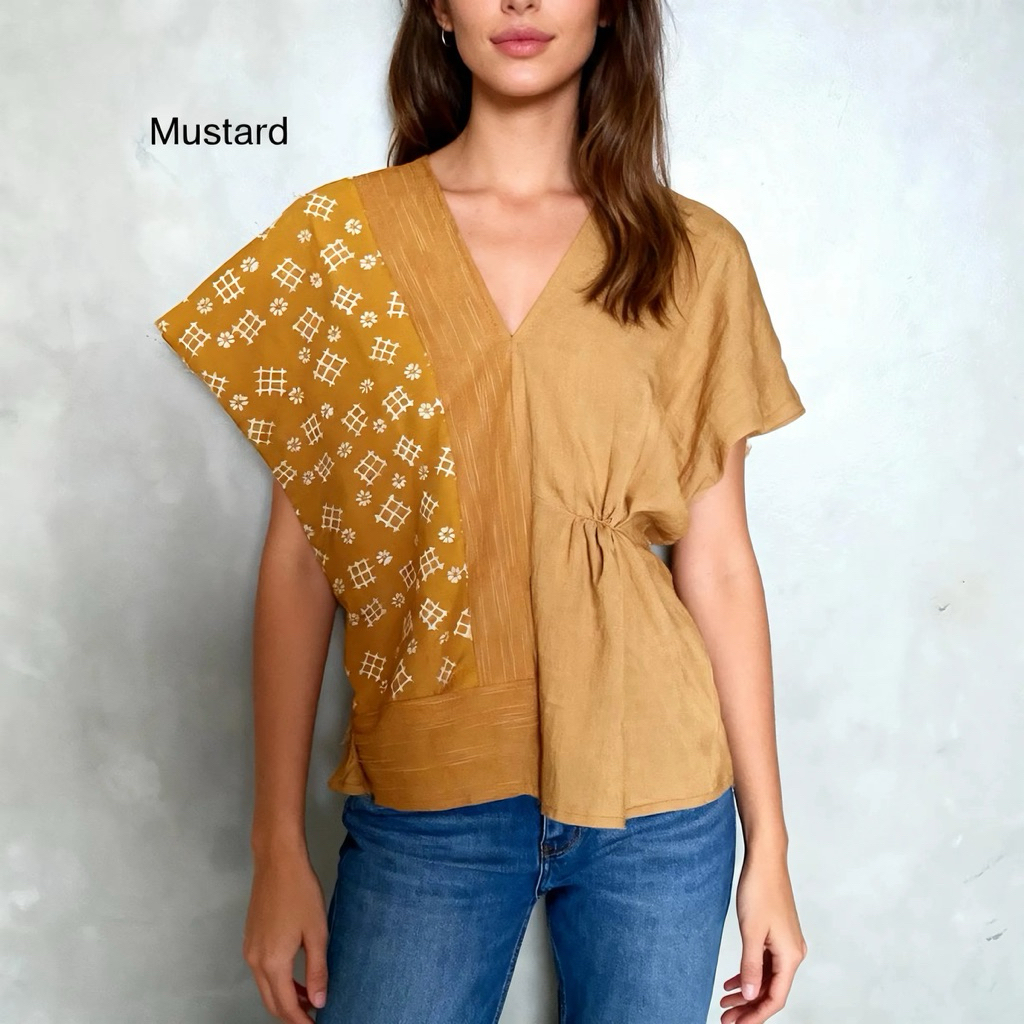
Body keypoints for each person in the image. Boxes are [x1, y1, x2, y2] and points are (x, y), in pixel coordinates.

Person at [153, 1, 809, 1021]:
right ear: (438, 11)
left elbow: (717, 561)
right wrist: (276, 844)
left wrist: (769, 846)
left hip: (661, 797)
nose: (520, 3)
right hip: (429, 791)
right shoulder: (342, 243)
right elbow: (302, 561)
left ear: (610, 12)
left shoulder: (690, 252)